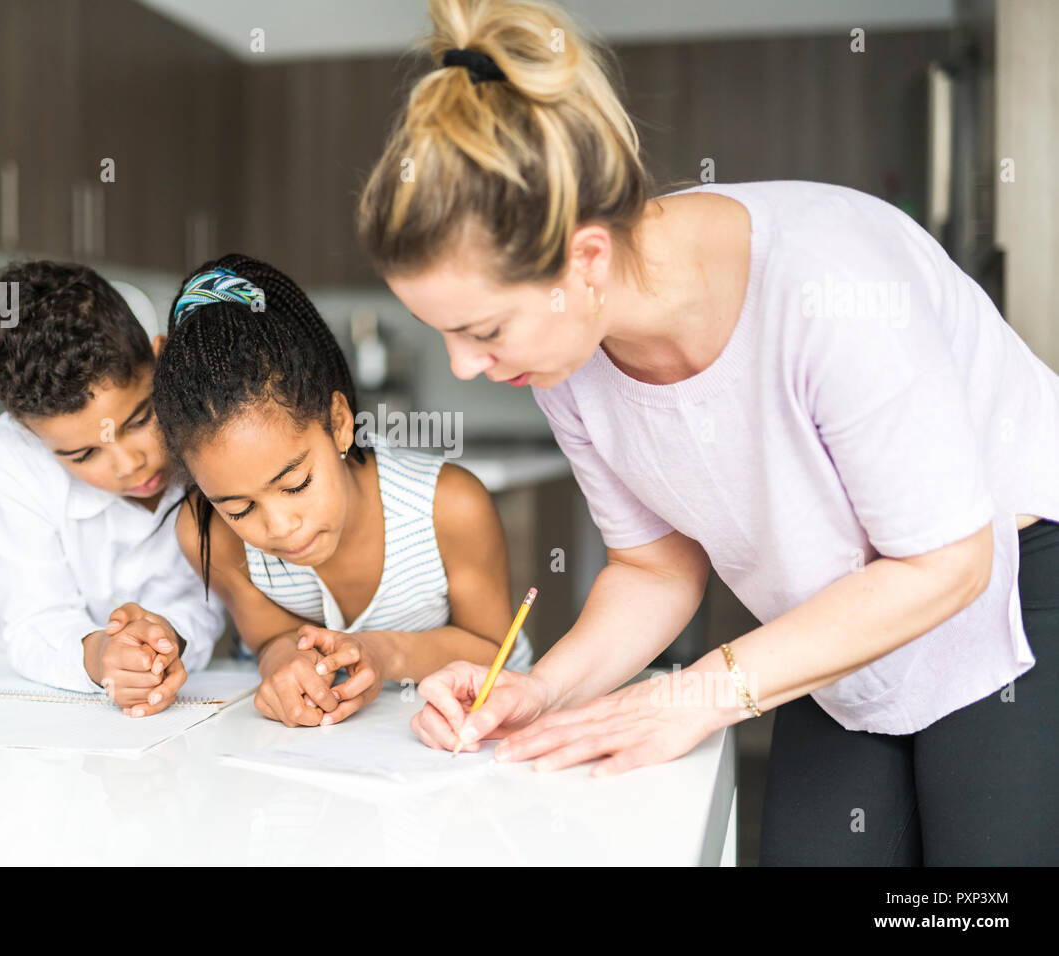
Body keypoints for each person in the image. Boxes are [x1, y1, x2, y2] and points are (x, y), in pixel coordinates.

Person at [354, 0, 1059, 864]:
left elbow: (948, 561)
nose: (462, 367)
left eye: (484, 330)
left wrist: (695, 696)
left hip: (1013, 580)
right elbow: (657, 568)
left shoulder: (825, 287)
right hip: (837, 610)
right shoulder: (569, 357)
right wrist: (540, 691)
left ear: (585, 260)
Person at [150, 253, 532, 728]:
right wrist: (282, 664)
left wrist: (382, 653)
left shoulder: (449, 507)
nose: (280, 527)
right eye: (239, 507)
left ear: (338, 423)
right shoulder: (207, 532)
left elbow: (490, 648)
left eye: (296, 484)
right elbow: (272, 638)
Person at [0, 260, 227, 716]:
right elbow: (35, 620)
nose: (129, 464)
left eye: (140, 419)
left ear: (160, 356)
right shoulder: (11, 459)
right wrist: (97, 657)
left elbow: (206, 597)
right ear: (30, 437)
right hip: (3, 692)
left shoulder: (210, 427)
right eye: (84, 455)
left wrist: (167, 638)